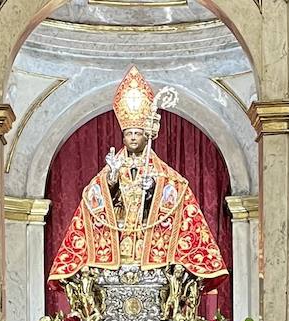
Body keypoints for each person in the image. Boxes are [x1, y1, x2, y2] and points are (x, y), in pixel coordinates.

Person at [48, 65, 227, 289]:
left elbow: (177, 193)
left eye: (137, 133)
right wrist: (111, 179)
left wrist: (153, 187)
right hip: (120, 240)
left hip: (149, 241)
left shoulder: (162, 173)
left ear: (146, 135)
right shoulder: (112, 167)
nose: (133, 138)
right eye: (129, 133)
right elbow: (95, 202)